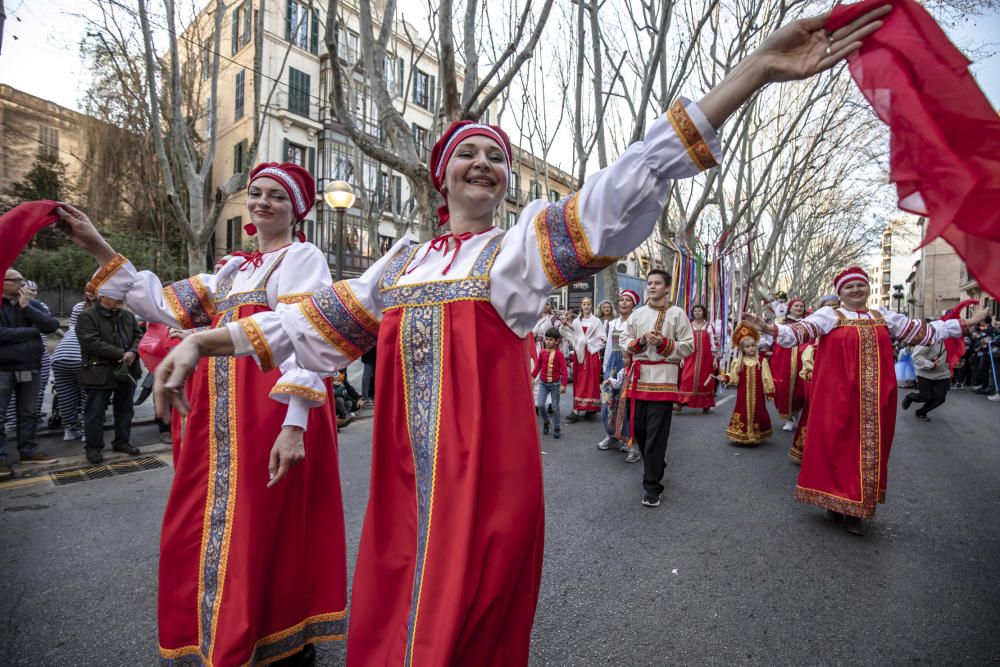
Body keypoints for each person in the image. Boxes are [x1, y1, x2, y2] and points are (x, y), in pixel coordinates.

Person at [147, 10, 893, 661]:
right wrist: (199, 342)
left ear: (504, 182)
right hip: (404, 485)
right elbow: (306, 324)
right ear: (441, 177)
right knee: (397, 617)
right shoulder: (403, 263)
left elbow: (633, 173)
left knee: (464, 625)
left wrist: (753, 71)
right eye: (468, 153)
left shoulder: (518, 251)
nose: (484, 163)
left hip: (485, 487)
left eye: (496, 157)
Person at [57, 162, 347, 665]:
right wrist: (98, 245)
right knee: (211, 528)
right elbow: (162, 305)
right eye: (256, 193)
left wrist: (294, 424)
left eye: (277, 196)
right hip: (219, 428)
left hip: (271, 420)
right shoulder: (234, 270)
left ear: (297, 209)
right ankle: (228, 633)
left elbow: (309, 339)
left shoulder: (302, 258)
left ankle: (280, 639)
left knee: (266, 532)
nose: (262, 202)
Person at [741, 267, 990, 536]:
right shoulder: (829, 315)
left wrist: (968, 322)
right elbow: (799, 332)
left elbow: (924, 332)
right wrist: (767, 327)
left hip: (875, 398)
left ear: (867, 288)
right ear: (840, 293)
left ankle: (856, 510)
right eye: (849, 287)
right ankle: (834, 501)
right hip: (835, 396)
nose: (856, 290)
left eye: (860, 285)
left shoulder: (883, 316)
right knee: (835, 445)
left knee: (867, 448)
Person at [619, 270, 693, 507]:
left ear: (667, 287)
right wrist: (640, 342)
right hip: (638, 381)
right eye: (649, 283)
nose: (652, 287)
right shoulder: (638, 314)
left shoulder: (677, 314)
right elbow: (623, 339)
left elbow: (689, 345)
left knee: (656, 435)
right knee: (640, 431)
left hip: (664, 379)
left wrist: (663, 343)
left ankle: (652, 486)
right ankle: (656, 463)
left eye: (657, 283)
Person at [0, 268, 60, 478]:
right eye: (16, 280)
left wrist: (27, 308)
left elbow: (51, 325)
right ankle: (1, 458)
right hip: (4, 369)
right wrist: (32, 331)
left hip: (30, 367)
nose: (21, 284)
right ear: (3, 282)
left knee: (29, 412)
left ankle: (28, 451)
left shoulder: (31, 304)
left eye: (22, 280)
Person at [76, 285, 143, 463]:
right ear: (103, 297)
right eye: (116, 296)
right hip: (99, 371)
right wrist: (121, 353)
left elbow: (139, 336)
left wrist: (133, 352)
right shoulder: (86, 317)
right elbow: (90, 342)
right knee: (95, 411)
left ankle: (122, 441)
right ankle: (93, 447)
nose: (120, 299)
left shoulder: (127, 316)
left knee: (125, 409)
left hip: (127, 370)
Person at [788, 294, 836, 464]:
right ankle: (810, 451)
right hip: (819, 380)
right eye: (827, 305)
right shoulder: (816, 328)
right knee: (813, 413)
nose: (831, 308)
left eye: (834, 305)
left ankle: (832, 455)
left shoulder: (846, 326)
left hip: (839, 384)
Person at [715, 322, 774, 445]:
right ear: (742, 349)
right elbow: (734, 377)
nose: (751, 348)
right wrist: (725, 377)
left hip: (758, 395)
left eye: (753, 345)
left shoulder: (761, 361)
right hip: (743, 395)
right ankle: (742, 433)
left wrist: (769, 391)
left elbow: (766, 377)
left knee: (758, 410)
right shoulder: (738, 362)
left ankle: (755, 433)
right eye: (747, 347)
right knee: (742, 410)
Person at [50, 290, 97, 441]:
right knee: (87, 396)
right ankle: (86, 432)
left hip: (59, 356)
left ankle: (69, 430)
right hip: (81, 356)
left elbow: (71, 327)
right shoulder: (102, 312)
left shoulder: (79, 307)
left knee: (65, 396)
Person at [597, 290, 638, 456]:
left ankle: (628, 438)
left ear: (634, 304)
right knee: (607, 401)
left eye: (627, 300)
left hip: (628, 363)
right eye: (621, 300)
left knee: (625, 404)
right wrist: (606, 367)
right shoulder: (613, 323)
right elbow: (609, 347)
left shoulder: (636, 322)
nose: (623, 303)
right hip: (613, 364)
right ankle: (611, 434)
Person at [769, 297, 807, 431]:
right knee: (784, 389)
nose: (799, 308)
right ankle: (789, 419)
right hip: (784, 360)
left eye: (801, 306)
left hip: (803, 360)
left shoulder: (808, 323)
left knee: (801, 390)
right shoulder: (782, 323)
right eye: (796, 306)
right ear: (790, 308)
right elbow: (775, 341)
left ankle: (798, 416)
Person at [567, 297, 605, 421]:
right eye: (584, 304)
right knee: (579, 380)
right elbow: (573, 336)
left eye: (588, 304)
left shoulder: (597, 321)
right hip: (580, 354)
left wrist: (595, 342)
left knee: (591, 380)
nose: (587, 306)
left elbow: (602, 336)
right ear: (581, 306)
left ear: (591, 306)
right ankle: (576, 409)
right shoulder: (576, 321)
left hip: (592, 353)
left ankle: (590, 407)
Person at [676, 303, 718, 413]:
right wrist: (682, 358)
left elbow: (714, 344)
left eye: (699, 310)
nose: (697, 312)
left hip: (706, 358)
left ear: (704, 312)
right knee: (686, 379)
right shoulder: (688, 326)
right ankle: (680, 402)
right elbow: (683, 342)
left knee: (705, 381)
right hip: (690, 357)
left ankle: (706, 404)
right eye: (695, 311)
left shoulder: (709, 327)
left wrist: (714, 359)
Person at [902, 332, 950, 421]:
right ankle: (910, 397)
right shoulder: (929, 339)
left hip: (943, 374)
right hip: (925, 373)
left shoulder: (954, 341)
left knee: (940, 398)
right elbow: (916, 356)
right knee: (925, 396)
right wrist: (931, 365)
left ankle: (921, 412)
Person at [532, 327, 568, 438]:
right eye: (546, 339)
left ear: (557, 341)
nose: (548, 342)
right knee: (540, 405)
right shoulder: (542, 353)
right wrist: (532, 377)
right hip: (543, 384)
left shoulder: (559, 354)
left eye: (551, 339)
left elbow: (564, 370)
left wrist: (563, 384)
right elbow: (538, 367)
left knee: (555, 407)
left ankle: (557, 427)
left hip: (555, 385)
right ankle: (547, 421)